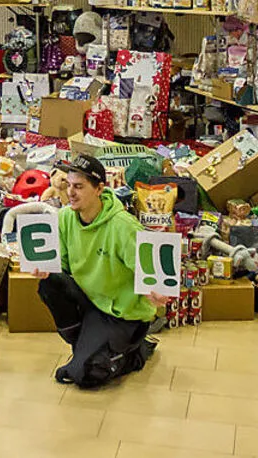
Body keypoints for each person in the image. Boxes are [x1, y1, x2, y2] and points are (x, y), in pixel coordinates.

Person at [33, 154, 169, 389]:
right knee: (50, 283)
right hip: (90, 303)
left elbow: (152, 272)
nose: (71, 192)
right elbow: (62, 267)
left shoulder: (124, 226)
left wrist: (155, 291)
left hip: (122, 315)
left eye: (79, 186)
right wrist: (45, 269)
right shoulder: (65, 218)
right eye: (69, 185)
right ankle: (90, 348)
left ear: (99, 189)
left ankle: (136, 351)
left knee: (86, 376)